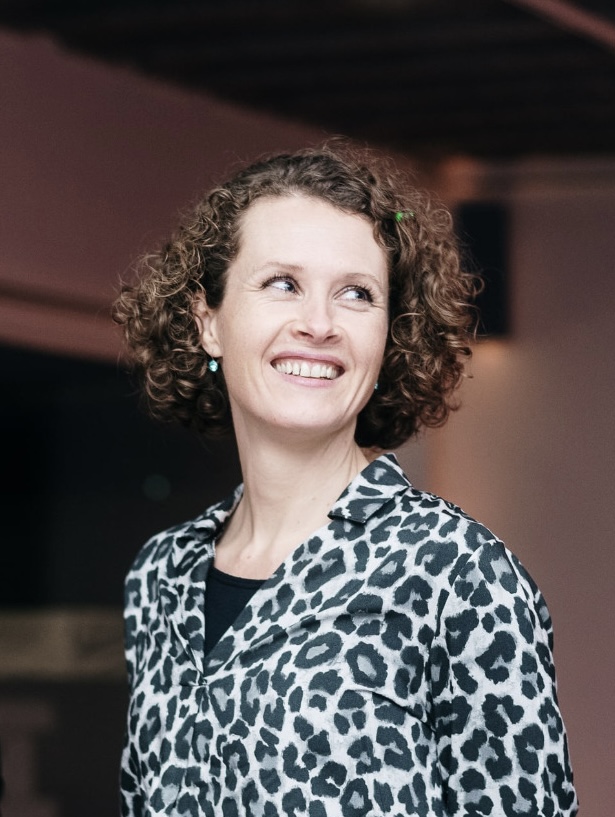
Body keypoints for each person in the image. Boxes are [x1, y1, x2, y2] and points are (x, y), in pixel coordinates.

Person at [114, 145, 578, 816]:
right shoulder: (161, 576)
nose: (319, 324)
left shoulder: (455, 573)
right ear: (207, 321)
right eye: (282, 283)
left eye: (356, 294)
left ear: (389, 338)